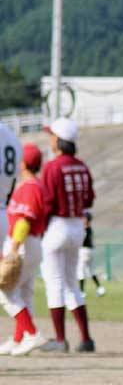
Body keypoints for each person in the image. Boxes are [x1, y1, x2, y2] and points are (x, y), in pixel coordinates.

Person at [38, 117, 96, 353]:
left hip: (57, 226)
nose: (50, 139)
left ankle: (60, 340)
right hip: (77, 227)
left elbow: (47, 201)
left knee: (55, 282)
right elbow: (89, 198)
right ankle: (86, 338)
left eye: (52, 136)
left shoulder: (52, 166)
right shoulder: (82, 165)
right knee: (72, 282)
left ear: (59, 140)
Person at [1, 144, 50, 355]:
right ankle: (19, 338)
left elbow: (23, 220)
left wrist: (13, 248)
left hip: (23, 243)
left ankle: (32, 334)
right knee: (24, 292)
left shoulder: (30, 187)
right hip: (33, 243)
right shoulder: (35, 185)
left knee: (5, 292)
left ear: (23, 162)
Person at [77, 211, 104, 296]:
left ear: (87, 219)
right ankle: (100, 288)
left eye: (84, 218)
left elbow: (81, 240)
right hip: (90, 250)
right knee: (90, 270)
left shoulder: (85, 228)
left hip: (84, 250)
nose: (82, 219)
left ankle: (81, 291)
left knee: (80, 270)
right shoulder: (89, 228)